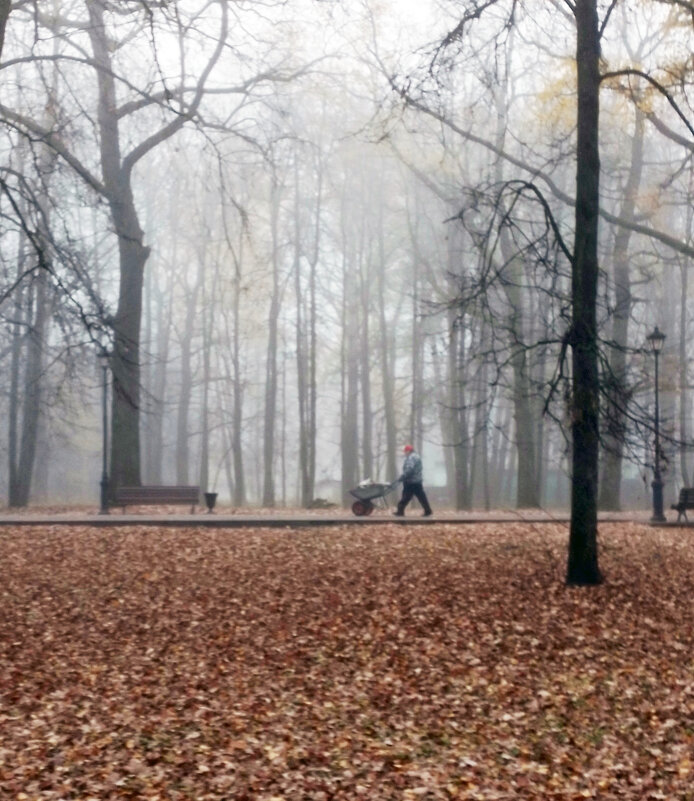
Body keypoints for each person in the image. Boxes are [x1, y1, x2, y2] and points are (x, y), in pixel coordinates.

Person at [394, 444, 433, 517]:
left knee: (406, 496)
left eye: (405, 451)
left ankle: (400, 511)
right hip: (417, 481)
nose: (405, 453)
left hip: (410, 481)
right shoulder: (417, 456)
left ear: (408, 451)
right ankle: (428, 510)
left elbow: (409, 469)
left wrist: (403, 476)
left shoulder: (411, 458)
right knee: (421, 496)